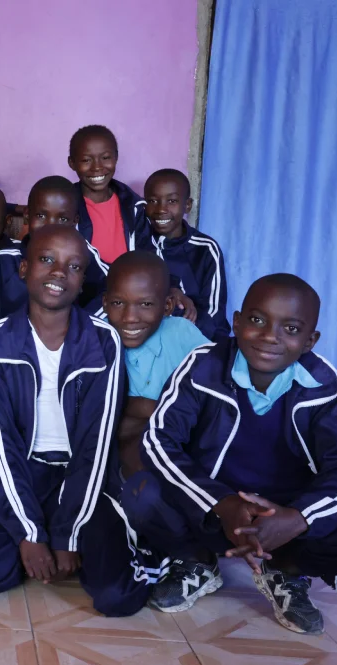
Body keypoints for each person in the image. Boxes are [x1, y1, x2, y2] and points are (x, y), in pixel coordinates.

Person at [123, 274, 337, 634]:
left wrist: (297, 517)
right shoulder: (203, 365)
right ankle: (196, 562)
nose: (270, 336)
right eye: (258, 321)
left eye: (291, 328)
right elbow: (158, 441)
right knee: (141, 491)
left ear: (310, 341)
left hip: (286, 512)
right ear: (237, 322)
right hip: (212, 509)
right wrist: (222, 503)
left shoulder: (323, 384)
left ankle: (286, 571)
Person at [0, 226, 151, 616]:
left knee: (117, 597)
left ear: (82, 282)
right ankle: (37, 548)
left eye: (73, 266)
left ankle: (109, 552)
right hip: (23, 472)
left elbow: (97, 444)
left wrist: (67, 532)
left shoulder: (102, 340)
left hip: (85, 479)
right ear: (24, 269)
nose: (59, 272)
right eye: (47, 260)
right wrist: (30, 534)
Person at [102, 252, 208, 478]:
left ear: (168, 305)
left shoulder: (181, 333)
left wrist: (138, 407)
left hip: (184, 450)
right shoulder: (98, 340)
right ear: (105, 303)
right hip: (125, 463)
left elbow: (213, 397)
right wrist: (163, 408)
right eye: (119, 303)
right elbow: (102, 418)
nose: (130, 317)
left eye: (146, 304)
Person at [0, 176, 108, 320]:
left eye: (62, 219)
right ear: (27, 216)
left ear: (75, 222)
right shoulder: (3, 261)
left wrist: (82, 325)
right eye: (41, 215)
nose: (51, 226)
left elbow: (111, 291)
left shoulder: (84, 254)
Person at [142, 169, 229, 340]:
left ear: (187, 205)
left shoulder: (205, 249)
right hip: (147, 337)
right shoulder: (138, 243)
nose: (161, 209)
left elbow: (214, 313)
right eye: (153, 201)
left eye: (172, 201)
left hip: (195, 337)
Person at [68, 124, 149, 264]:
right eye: (86, 160)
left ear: (116, 157)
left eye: (105, 158)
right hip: (82, 285)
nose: (97, 167)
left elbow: (146, 254)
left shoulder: (134, 206)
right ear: (72, 163)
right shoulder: (66, 205)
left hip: (128, 283)